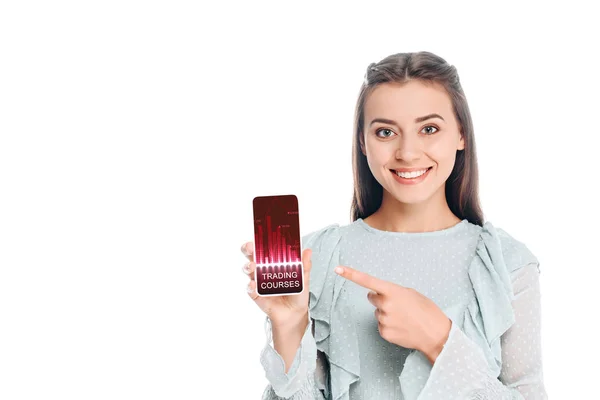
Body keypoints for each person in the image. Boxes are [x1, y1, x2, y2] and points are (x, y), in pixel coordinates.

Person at [241, 51, 548, 400]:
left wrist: (439, 340)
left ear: (461, 134)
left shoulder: (506, 263)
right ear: (363, 141)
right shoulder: (319, 258)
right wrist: (289, 326)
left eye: (429, 129)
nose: (408, 152)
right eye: (386, 132)